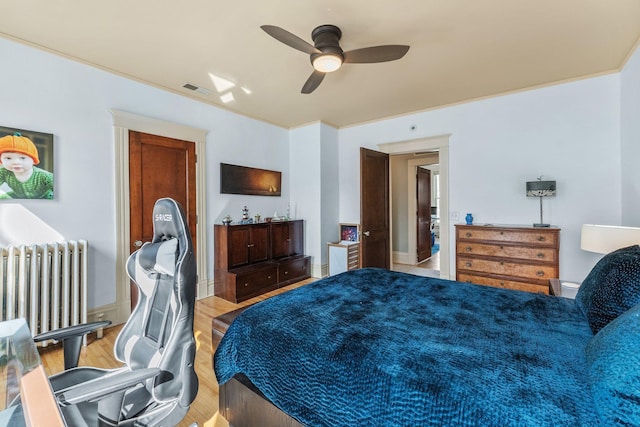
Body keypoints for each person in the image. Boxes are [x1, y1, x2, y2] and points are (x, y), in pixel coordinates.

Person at [0, 132, 53, 199]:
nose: (15, 162)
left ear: (33, 160)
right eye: (8, 158)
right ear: (1, 160)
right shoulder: (3, 172)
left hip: (43, 196)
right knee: (3, 198)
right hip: (18, 196)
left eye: (23, 158)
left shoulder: (44, 176)